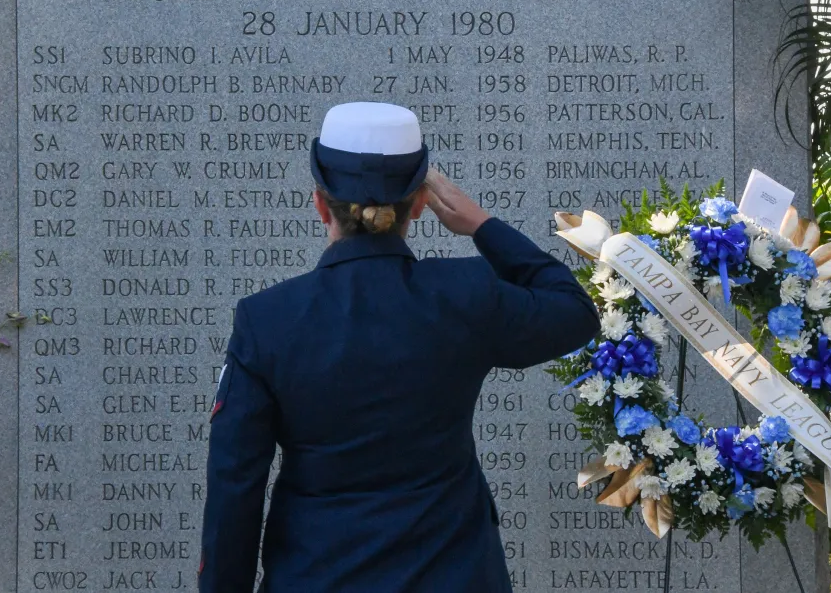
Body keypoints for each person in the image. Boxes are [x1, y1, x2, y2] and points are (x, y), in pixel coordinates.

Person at [199, 102, 599, 592]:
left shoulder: (267, 320)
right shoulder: (465, 295)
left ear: (320, 203)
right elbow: (575, 312)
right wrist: (482, 226)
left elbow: (235, 488)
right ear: (419, 203)